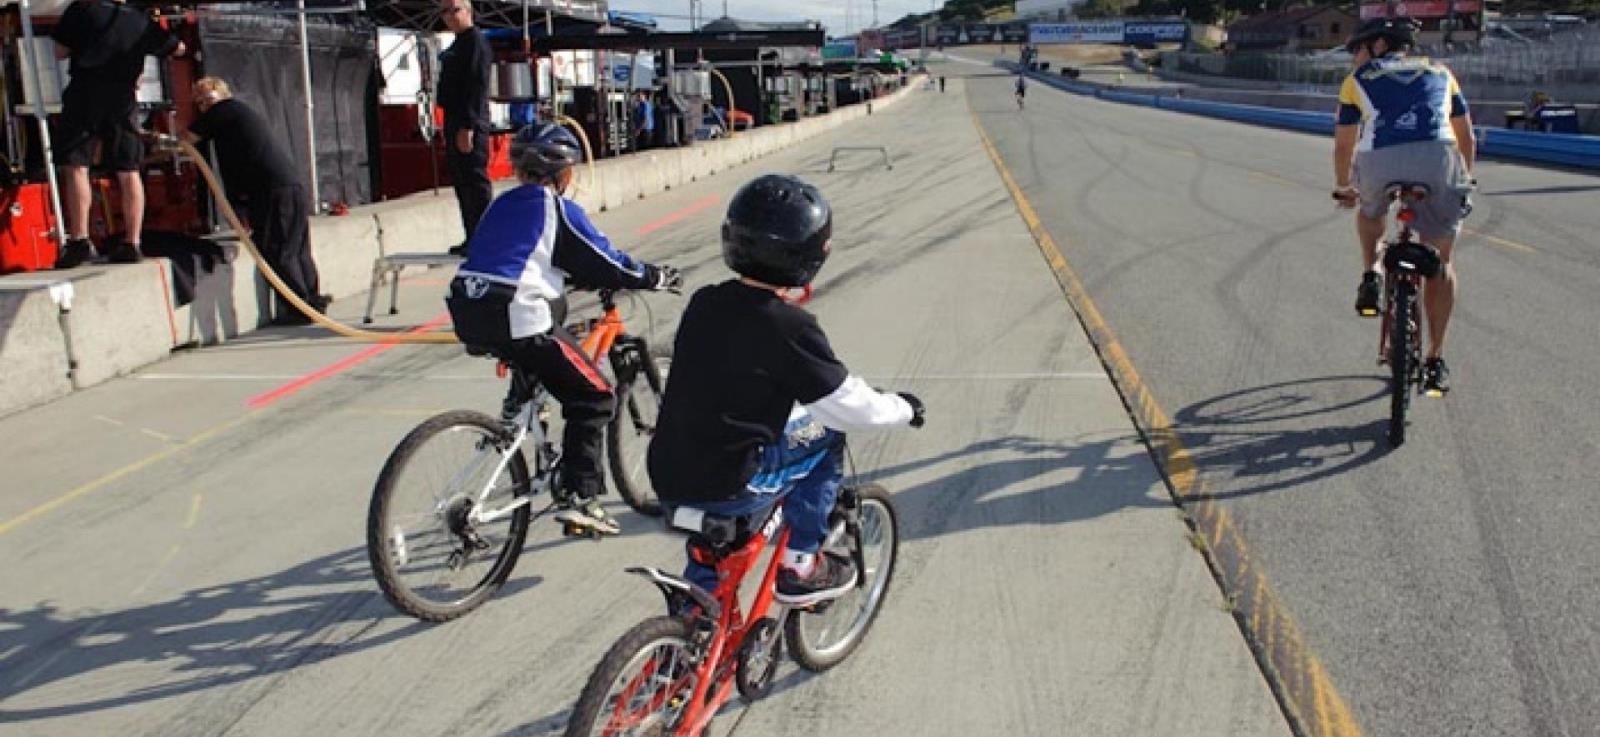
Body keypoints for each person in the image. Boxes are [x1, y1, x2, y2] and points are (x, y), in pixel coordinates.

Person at [647, 174, 926, 607]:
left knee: (714, 548)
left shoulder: (706, 303)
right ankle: (801, 565)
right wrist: (901, 409)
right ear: (812, 255)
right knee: (828, 436)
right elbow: (847, 407)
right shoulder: (790, 327)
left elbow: (733, 374)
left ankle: (692, 624)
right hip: (732, 481)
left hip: (669, 470)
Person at [447, 123, 681, 535]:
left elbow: (515, 256)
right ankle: (581, 497)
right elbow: (607, 261)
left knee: (540, 353)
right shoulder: (555, 207)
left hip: (469, 308)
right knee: (594, 397)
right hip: (517, 313)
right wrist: (654, 277)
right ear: (565, 174)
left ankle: (517, 408)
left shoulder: (499, 206)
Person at [1332, 17, 1476, 396]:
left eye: (1358, 49)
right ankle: (1434, 359)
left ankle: (1371, 274)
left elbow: (1344, 144)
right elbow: (1466, 137)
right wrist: (1465, 180)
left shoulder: (1358, 79)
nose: (1354, 58)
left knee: (1369, 212)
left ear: (1379, 44)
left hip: (1380, 160)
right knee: (1442, 262)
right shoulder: (1441, 71)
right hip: (1438, 158)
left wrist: (1345, 186)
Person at [49, 0, 184, 268]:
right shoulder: (139, 20)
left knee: (76, 165)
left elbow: (60, 52)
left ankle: (79, 240)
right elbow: (178, 48)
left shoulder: (82, 9)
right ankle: (132, 242)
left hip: (85, 92)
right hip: (122, 97)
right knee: (128, 169)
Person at [182, 77, 325, 326]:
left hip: (273, 191)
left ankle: (299, 307)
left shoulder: (225, 110)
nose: (205, 105)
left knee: (279, 250)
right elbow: (234, 168)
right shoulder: (233, 120)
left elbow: (186, 139)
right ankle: (311, 301)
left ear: (222, 94)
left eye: (208, 98)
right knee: (296, 247)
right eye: (199, 101)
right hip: (286, 185)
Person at [437, 0, 491, 258]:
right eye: (445, 12)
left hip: (468, 121)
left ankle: (485, 237)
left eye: (455, 10)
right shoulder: (457, 44)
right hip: (453, 118)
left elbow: (477, 85)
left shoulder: (475, 42)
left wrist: (468, 125)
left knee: (474, 182)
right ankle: (472, 235)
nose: (450, 16)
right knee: (461, 182)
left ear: (468, 12)